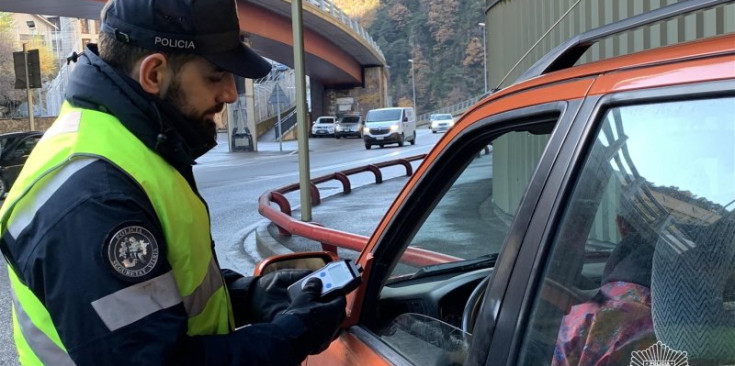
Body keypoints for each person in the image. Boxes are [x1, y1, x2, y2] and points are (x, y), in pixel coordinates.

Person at [0, 0, 346, 365]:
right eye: (216, 75)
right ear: (153, 74)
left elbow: (154, 296)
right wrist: (292, 335)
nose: (230, 93)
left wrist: (247, 295)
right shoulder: (94, 196)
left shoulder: (127, 144)